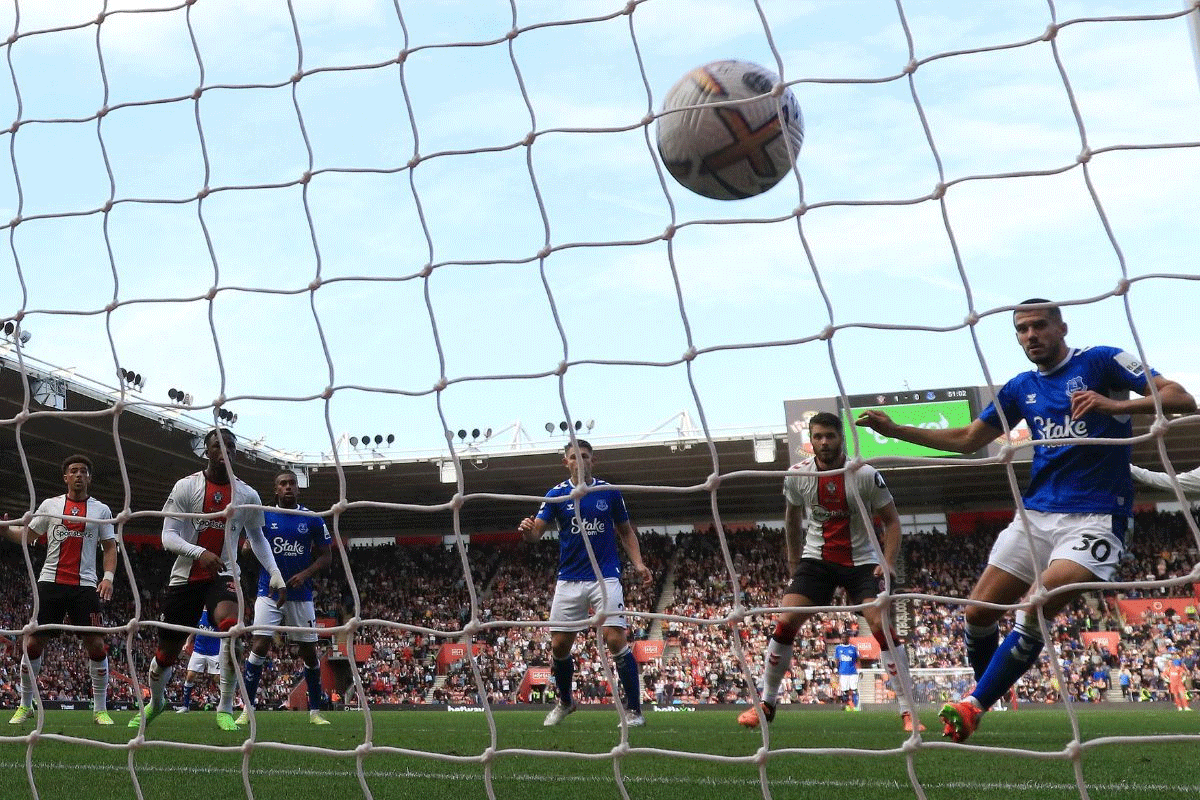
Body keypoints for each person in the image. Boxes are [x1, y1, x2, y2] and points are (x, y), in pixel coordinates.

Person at [856, 298, 1195, 742]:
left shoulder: (1102, 360)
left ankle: (973, 704)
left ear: (1061, 327)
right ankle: (985, 694)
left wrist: (1113, 408)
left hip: (1096, 516)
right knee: (977, 614)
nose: (1030, 335)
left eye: (1038, 326)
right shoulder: (1020, 388)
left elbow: (1180, 397)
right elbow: (966, 439)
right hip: (1035, 515)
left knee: (1037, 604)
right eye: (1022, 330)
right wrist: (896, 430)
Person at [737, 412, 924, 733]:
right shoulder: (798, 475)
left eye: (830, 436)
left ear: (842, 439)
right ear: (811, 440)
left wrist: (888, 561)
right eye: (818, 436)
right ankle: (766, 703)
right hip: (816, 561)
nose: (824, 442)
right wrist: (794, 563)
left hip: (861, 562)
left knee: (880, 623)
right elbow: (792, 517)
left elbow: (892, 521)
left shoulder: (865, 474)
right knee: (785, 621)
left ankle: (908, 711)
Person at [128, 427, 287, 732]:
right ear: (207, 451)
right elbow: (168, 536)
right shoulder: (186, 487)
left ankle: (225, 707)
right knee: (166, 655)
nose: (224, 450)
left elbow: (258, 539)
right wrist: (200, 553)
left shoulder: (248, 495)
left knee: (231, 629)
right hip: (185, 577)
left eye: (230, 446)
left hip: (225, 575)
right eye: (218, 446)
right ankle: (157, 702)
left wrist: (276, 574)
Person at [517, 439, 653, 728]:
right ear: (565, 462)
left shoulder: (609, 492)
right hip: (569, 579)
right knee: (559, 646)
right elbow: (536, 534)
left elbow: (626, 532)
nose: (579, 461)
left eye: (585, 456)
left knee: (616, 639)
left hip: (605, 576)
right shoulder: (555, 495)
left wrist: (638, 563)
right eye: (573, 457)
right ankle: (565, 702)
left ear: (594, 460)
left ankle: (633, 711)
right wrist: (527, 531)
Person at [3, 454, 117, 725]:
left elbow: (110, 547)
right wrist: (5, 529)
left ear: (89, 478)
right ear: (65, 477)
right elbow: (28, 536)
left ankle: (100, 709)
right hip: (50, 583)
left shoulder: (101, 510)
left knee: (96, 644)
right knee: (33, 641)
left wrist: (109, 577)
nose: (78, 475)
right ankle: (25, 705)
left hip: (86, 585)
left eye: (83, 471)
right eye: (73, 471)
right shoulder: (50, 505)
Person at [235, 468, 332, 726]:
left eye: (292, 483)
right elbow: (248, 549)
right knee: (259, 645)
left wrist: (305, 573)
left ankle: (315, 712)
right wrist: (247, 547)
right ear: (275, 489)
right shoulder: (264, 516)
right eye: (283, 484)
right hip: (268, 591)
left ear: (298, 489)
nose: (288, 487)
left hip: (301, 595)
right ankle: (248, 708)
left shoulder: (311, 519)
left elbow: (326, 555)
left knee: (309, 652)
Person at [177, 610, 221, 713]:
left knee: (217, 678)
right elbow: (194, 629)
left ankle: (223, 705)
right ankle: (186, 706)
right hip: (198, 650)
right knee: (190, 676)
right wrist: (188, 642)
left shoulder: (218, 614)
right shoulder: (200, 613)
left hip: (214, 652)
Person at [834, 632, 861, 711]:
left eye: (845, 637)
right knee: (844, 691)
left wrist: (859, 669)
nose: (843, 639)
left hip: (853, 672)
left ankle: (855, 707)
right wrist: (836, 669)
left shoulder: (853, 648)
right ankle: (847, 706)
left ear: (848, 638)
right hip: (843, 673)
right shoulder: (838, 648)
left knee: (854, 690)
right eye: (842, 637)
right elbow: (837, 659)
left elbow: (858, 660)